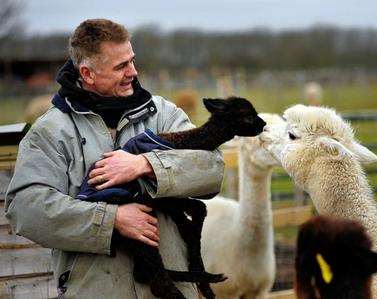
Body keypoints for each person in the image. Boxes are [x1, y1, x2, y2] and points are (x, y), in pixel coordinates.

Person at [5, 19, 224, 299]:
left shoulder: (163, 116)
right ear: (88, 73)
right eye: (120, 66)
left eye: (131, 61)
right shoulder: (50, 132)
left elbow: (212, 168)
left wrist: (146, 165)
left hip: (171, 291)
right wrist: (111, 220)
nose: (132, 71)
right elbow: (26, 207)